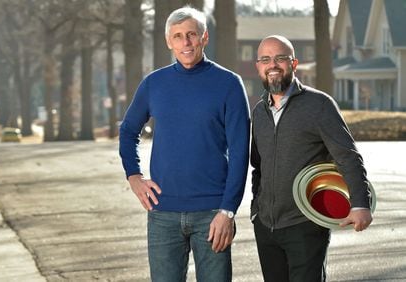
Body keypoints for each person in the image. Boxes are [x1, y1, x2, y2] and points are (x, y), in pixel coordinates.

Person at [119, 6, 250, 282]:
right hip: (163, 214)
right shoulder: (154, 84)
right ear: (169, 41)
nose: (185, 43)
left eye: (191, 34)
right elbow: (129, 130)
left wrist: (228, 211)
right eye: (177, 36)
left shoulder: (229, 84)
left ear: (204, 38)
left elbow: (240, 153)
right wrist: (134, 176)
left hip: (213, 214)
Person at [250, 35, 373, 282]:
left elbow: (347, 156)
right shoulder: (259, 111)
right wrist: (257, 210)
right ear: (258, 67)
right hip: (266, 228)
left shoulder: (319, 104)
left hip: (305, 225)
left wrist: (360, 203)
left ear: (293, 64)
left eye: (280, 58)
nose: (272, 64)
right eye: (266, 59)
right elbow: (258, 166)